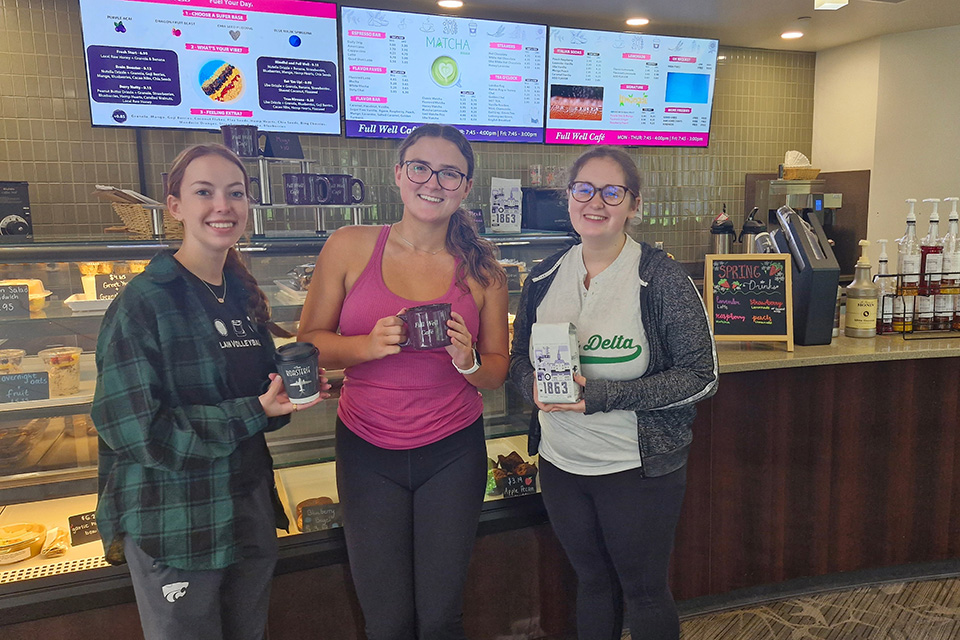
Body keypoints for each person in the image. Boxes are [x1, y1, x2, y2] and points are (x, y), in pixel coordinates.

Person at [92, 143, 329, 640]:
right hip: (177, 521)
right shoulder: (144, 304)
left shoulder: (238, 293)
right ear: (175, 206)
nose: (223, 206)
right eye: (205, 192)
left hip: (246, 507)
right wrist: (251, 411)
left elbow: (257, 402)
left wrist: (284, 397)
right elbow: (135, 433)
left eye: (235, 193)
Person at [297, 124, 509, 639]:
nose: (432, 182)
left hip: (453, 453)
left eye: (450, 173)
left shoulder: (485, 272)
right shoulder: (349, 247)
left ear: (465, 186)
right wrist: (366, 347)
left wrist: (466, 361)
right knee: (387, 621)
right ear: (398, 175)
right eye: (420, 167)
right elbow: (310, 344)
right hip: (367, 452)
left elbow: (497, 370)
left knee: (440, 617)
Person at [508, 146, 718, 640]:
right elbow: (519, 360)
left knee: (643, 590)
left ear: (633, 204)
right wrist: (530, 383)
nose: (595, 202)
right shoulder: (542, 275)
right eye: (584, 189)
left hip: (636, 470)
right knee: (592, 582)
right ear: (569, 197)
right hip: (562, 465)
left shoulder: (661, 278)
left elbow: (700, 375)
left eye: (612, 191)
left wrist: (603, 396)